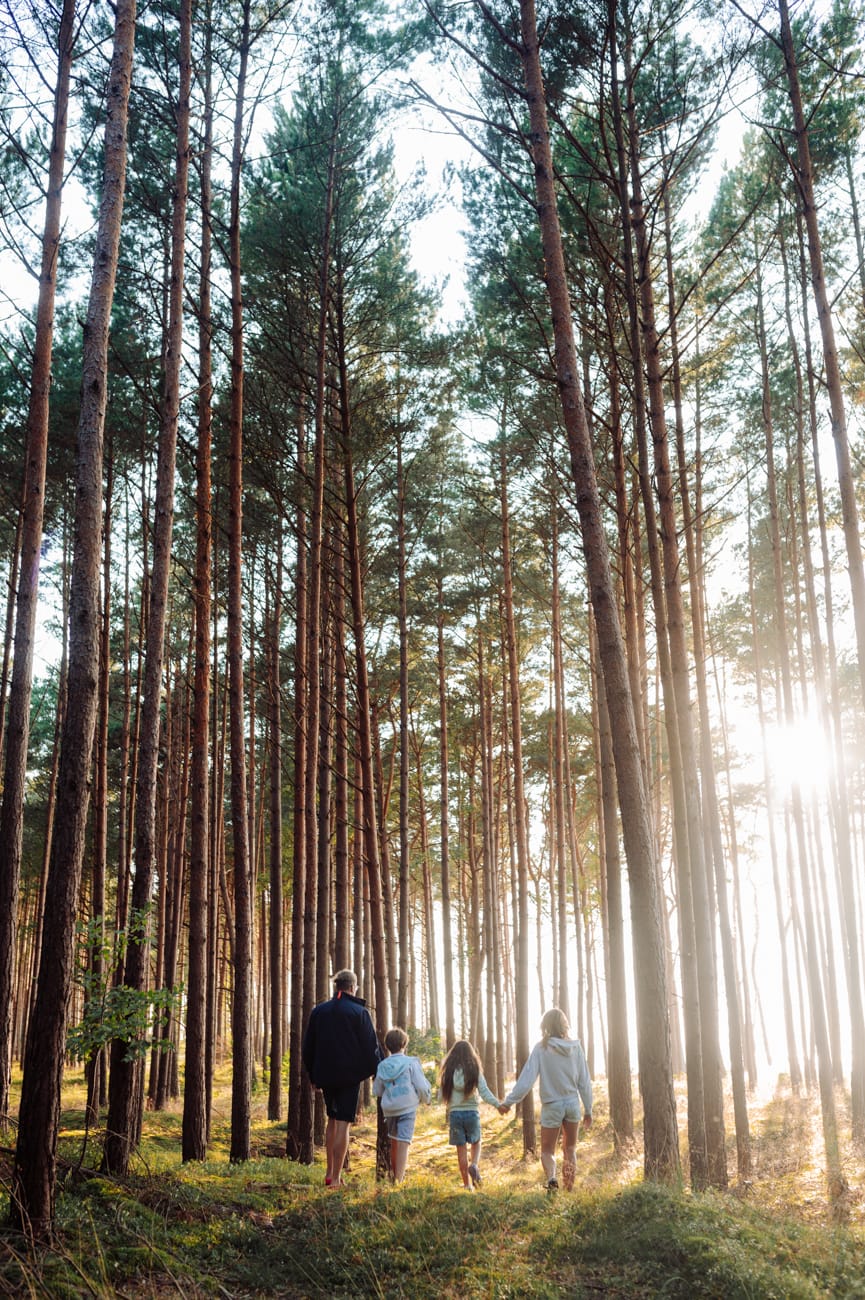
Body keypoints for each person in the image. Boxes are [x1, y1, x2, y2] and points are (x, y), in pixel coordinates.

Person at [301, 969, 382, 1187]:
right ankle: (336, 1178)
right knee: (344, 1124)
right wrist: (377, 1072)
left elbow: (308, 1046)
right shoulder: (358, 1012)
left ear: (337, 986)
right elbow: (371, 1047)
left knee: (332, 1119)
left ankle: (329, 1173)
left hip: (324, 1075)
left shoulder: (319, 1011)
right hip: (349, 1077)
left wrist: (312, 1074)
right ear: (352, 987)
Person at [499, 1008, 592, 1191]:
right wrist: (588, 1109)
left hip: (552, 1105)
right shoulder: (576, 1047)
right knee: (570, 1149)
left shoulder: (541, 1048)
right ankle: (568, 1190)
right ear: (564, 1024)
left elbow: (526, 1080)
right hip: (573, 1104)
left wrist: (509, 1102)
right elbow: (585, 1081)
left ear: (545, 1026)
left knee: (547, 1151)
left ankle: (551, 1179)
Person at [439, 1038, 502, 1191]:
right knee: (476, 1141)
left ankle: (467, 1185)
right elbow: (485, 1092)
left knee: (461, 1150)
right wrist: (498, 1105)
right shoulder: (474, 1069)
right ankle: (474, 1164)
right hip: (472, 1113)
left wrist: (428, 1101)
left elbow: (440, 1096)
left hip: (455, 1115)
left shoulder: (448, 1071)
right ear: (470, 1054)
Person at [373, 1027, 431, 1183]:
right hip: (407, 1108)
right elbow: (421, 1085)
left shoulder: (382, 1065)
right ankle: (398, 1180)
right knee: (404, 1142)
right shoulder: (411, 1063)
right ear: (404, 1044)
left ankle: (394, 1176)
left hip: (390, 1110)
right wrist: (427, 1099)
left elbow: (377, 1090)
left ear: (387, 1046)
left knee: (394, 1142)